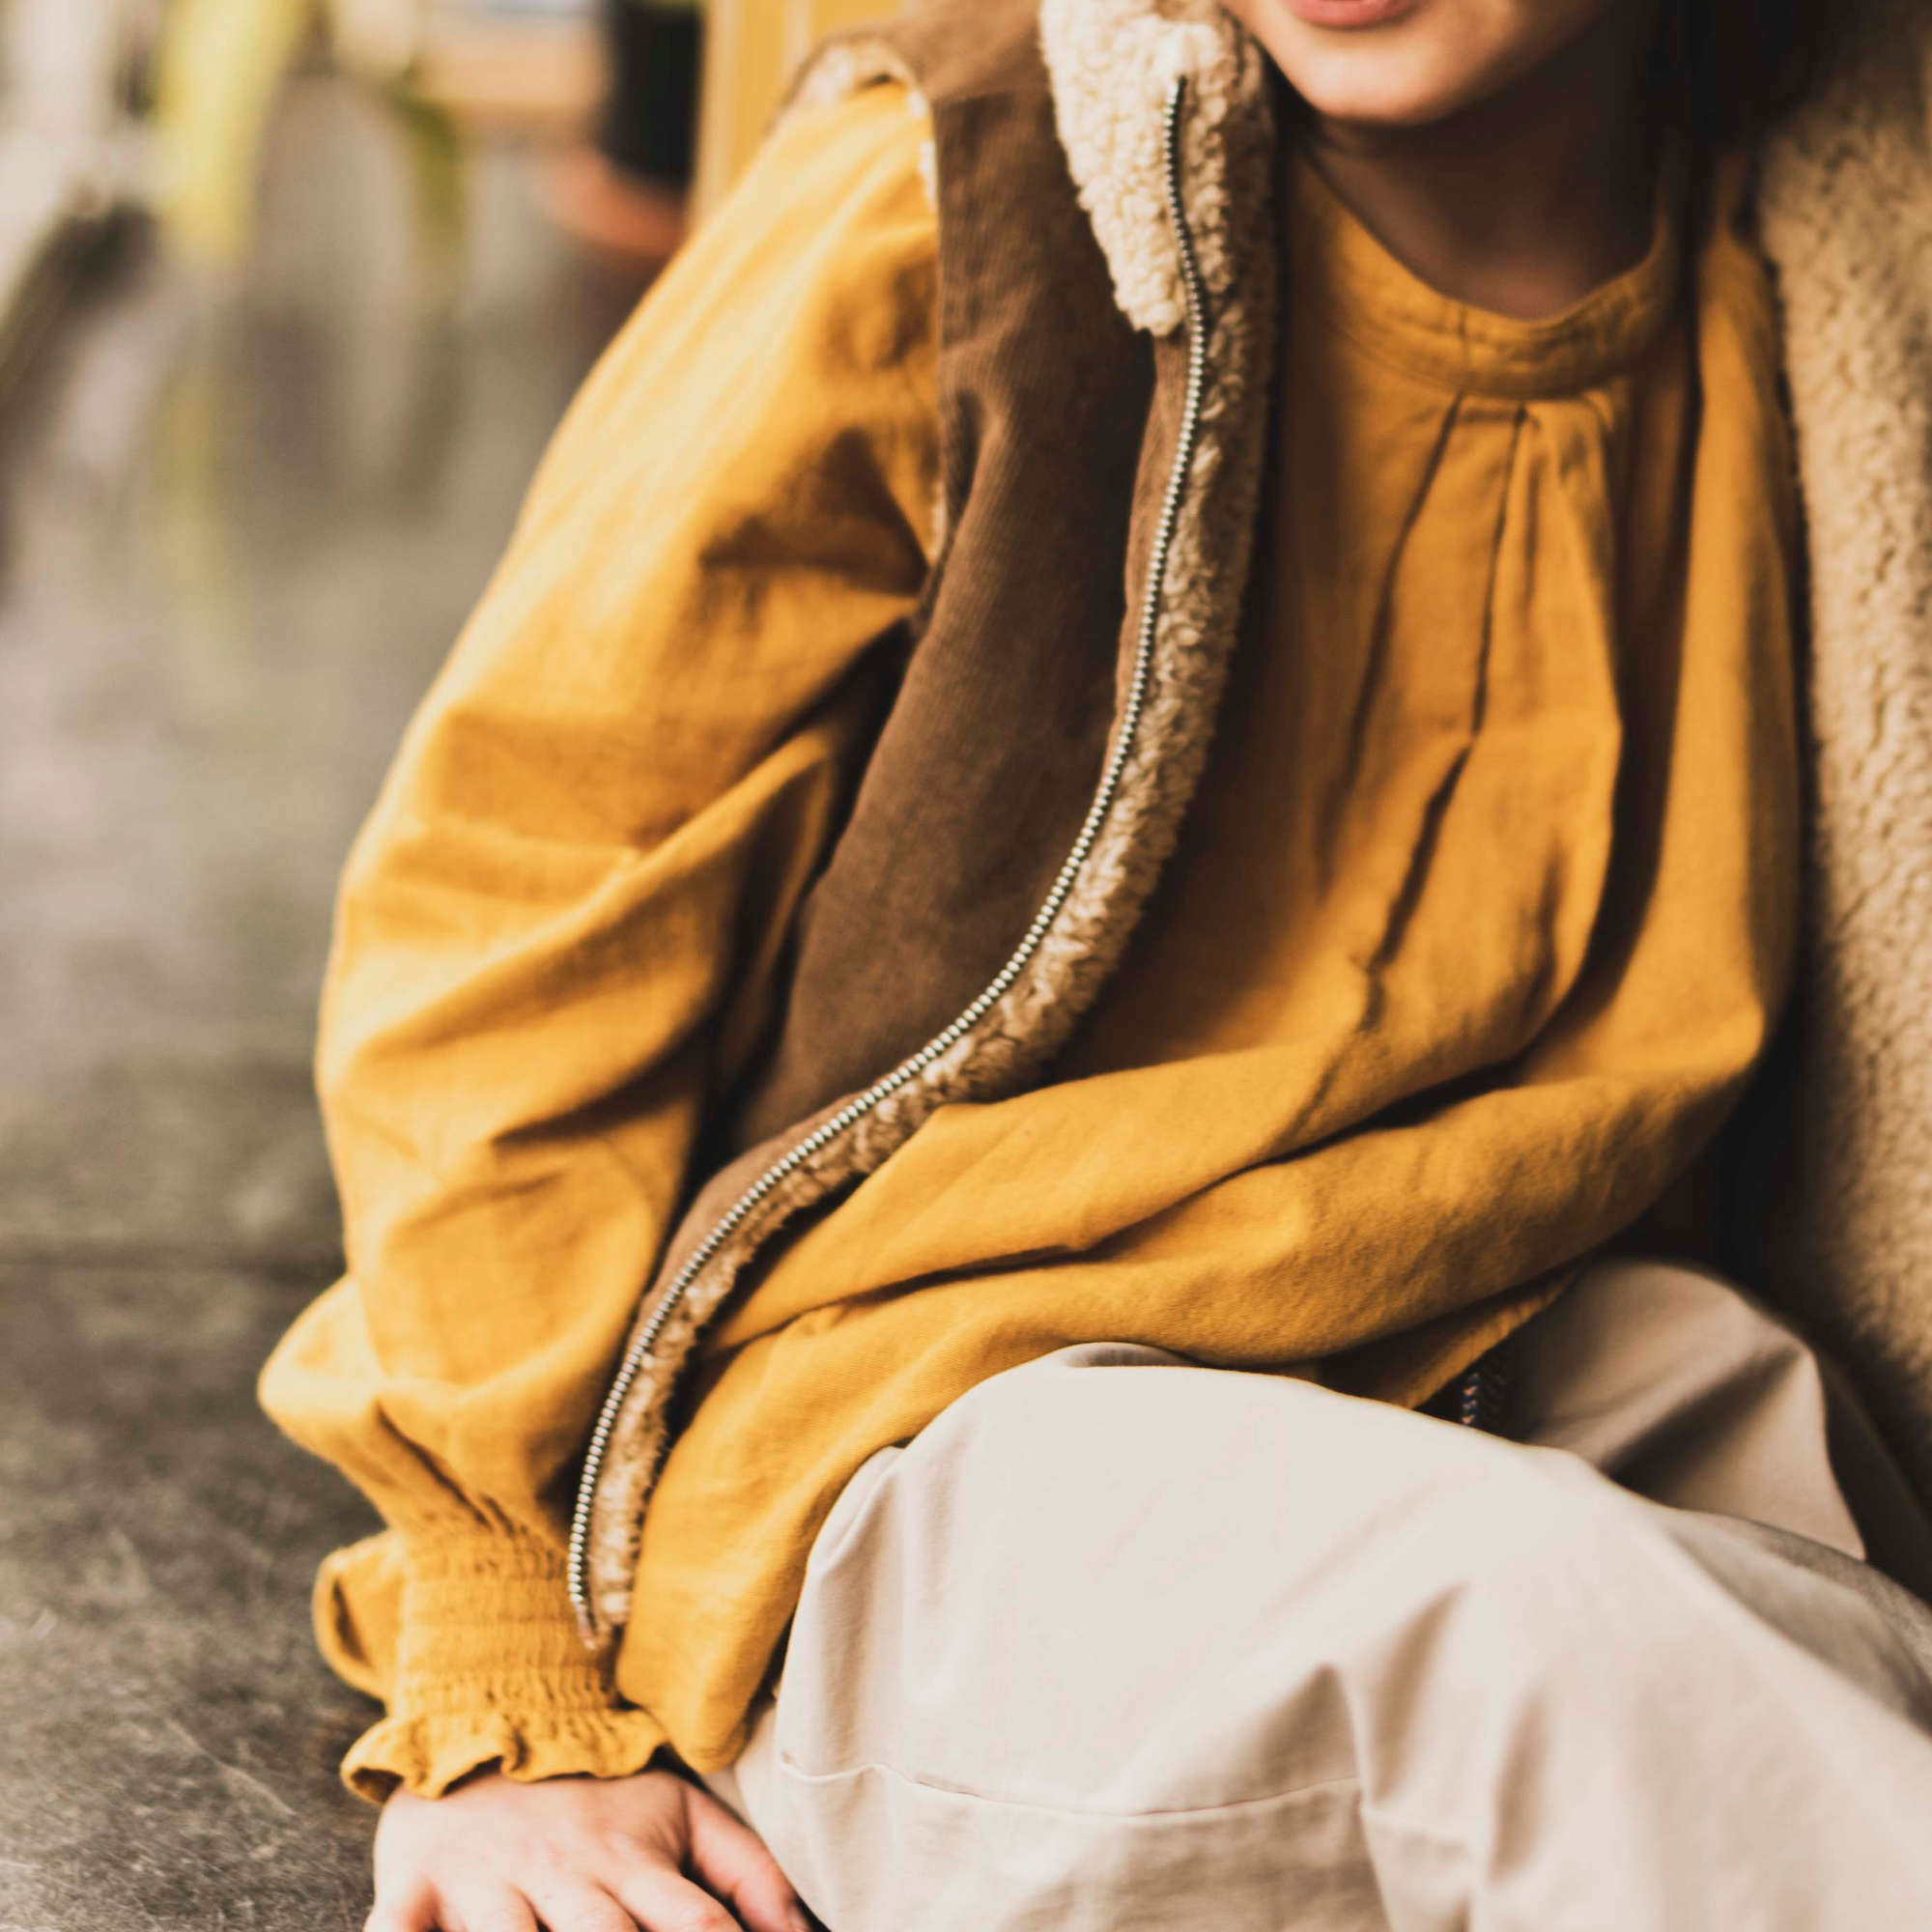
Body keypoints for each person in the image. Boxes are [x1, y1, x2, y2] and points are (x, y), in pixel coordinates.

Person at [259, 0, 1932, 1924]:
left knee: (1807, 1505)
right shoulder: (969, 193)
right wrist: (503, 1664)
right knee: (1550, 1641)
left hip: (1463, 1325)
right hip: (929, 1415)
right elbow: (522, 896)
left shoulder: (1799, 232)